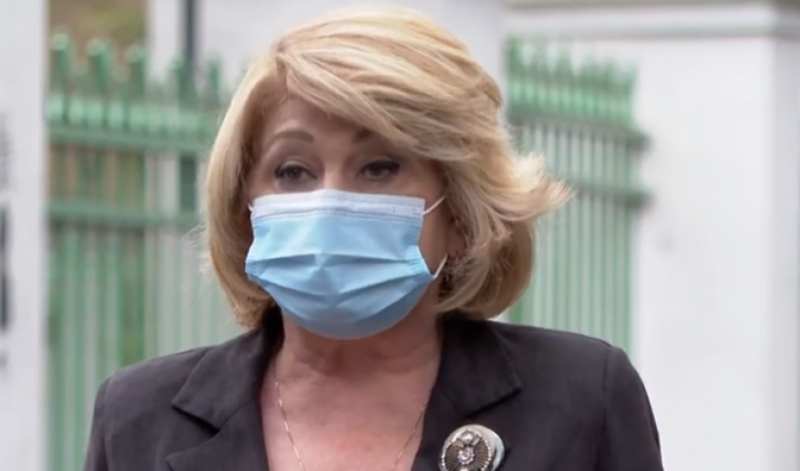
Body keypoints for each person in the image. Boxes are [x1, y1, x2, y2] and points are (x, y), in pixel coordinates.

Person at [83, 7, 663, 471]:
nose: (330, 201)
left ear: (460, 211)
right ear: (245, 210)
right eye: (293, 171)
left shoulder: (581, 398)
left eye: (380, 167)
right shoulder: (138, 419)